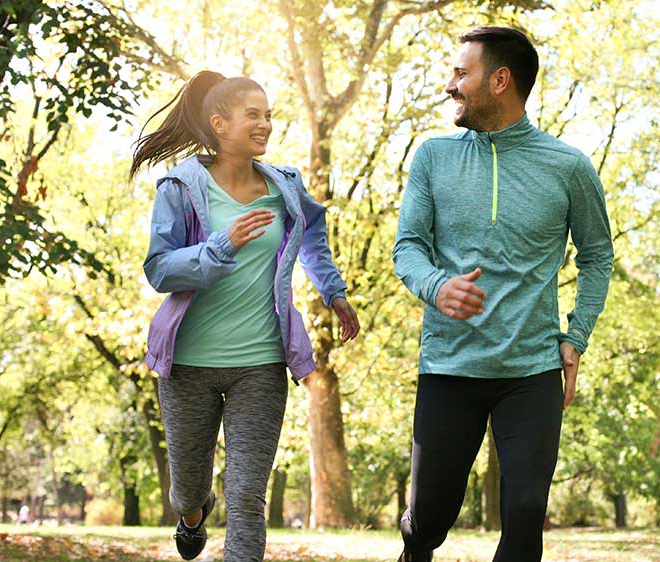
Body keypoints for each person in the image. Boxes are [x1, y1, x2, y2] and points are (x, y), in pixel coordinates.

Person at [392, 26, 614, 562]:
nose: (450, 85)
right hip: (449, 365)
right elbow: (408, 248)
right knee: (430, 519)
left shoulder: (567, 167)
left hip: (531, 370)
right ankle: (414, 543)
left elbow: (597, 255)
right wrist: (437, 285)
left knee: (524, 513)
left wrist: (575, 336)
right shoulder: (433, 158)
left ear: (499, 80)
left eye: (460, 73)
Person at [131, 71, 360, 562]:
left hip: (260, 362)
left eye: (269, 115)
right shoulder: (180, 186)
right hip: (188, 363)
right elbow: (159, 269)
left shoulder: (284, 186)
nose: (266, 125)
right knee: (188, 489)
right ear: (219, 123)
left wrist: (333, 292)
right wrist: (221, 245)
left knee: (248, 496)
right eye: (253, 115)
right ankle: (193, 516)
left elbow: (313, 236)